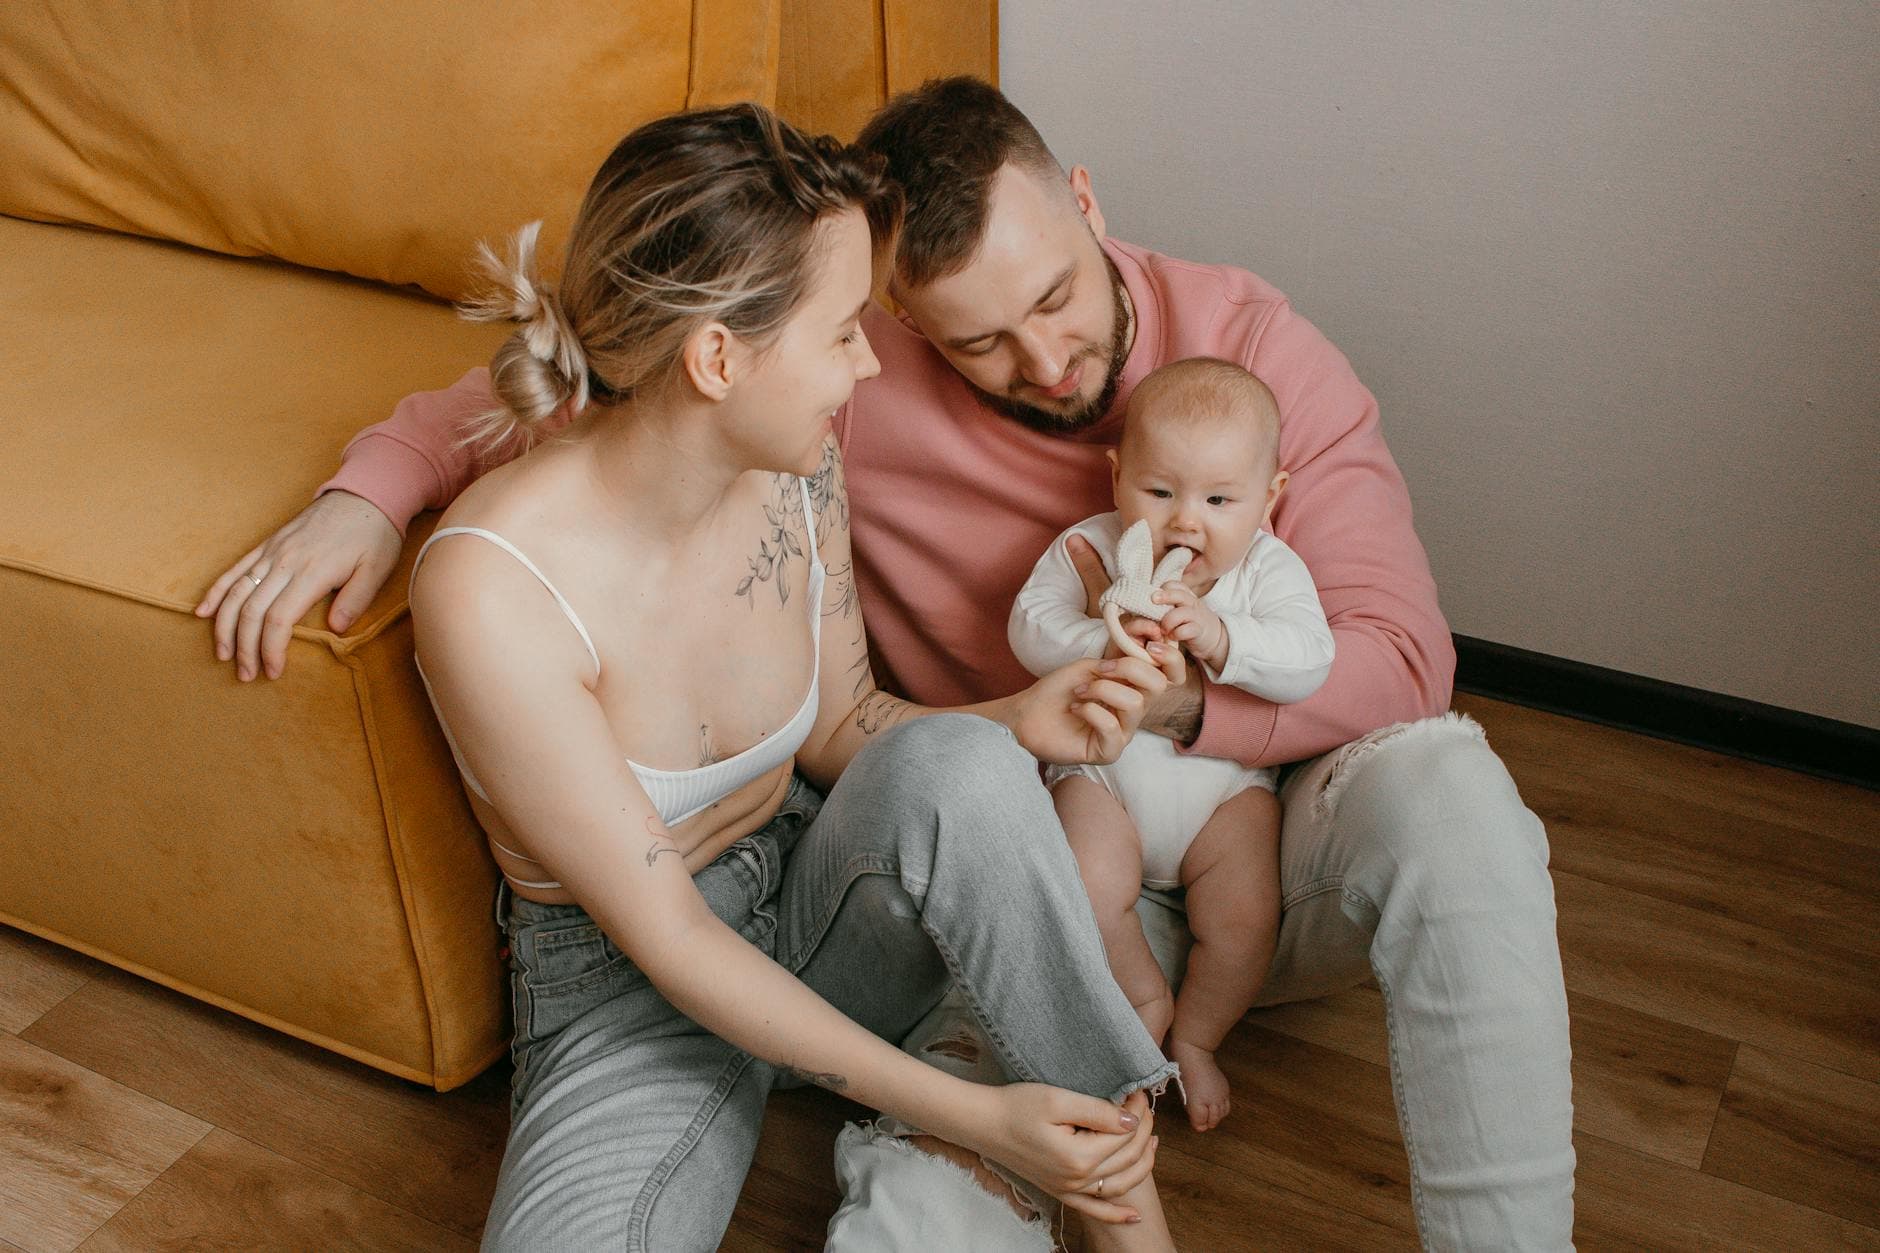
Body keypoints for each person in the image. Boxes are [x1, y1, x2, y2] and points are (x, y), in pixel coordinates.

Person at [202, 78, 1577, 1249]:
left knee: (1441, 789)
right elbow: (576, 376)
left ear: (1088, 205)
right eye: (972, 334)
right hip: (975, 885)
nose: (1044, 359)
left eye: (1057, 296)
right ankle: (1037, 1134)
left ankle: (1130, 1191)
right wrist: (372, 491)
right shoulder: (811, 404)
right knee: (925, 1122)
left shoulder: (1245, 351)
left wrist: (1152, 703)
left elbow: (1404, 657)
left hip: (1221, 852)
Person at [370, 102, 1186, 1251]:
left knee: (956, 753)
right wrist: (980, 1119)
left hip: (812, 894)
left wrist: (1019, 717)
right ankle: (970, 1081)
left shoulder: (792, 466)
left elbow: (851, 724)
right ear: (716, 357)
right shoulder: (491, 588)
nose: (866, 360)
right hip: (624, 985)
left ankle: (1126, 1214)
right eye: (844, 328)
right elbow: (673, 939)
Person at [1008, 357, 1334, 1134]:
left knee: (1248, 916)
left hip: (1224, 794)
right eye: (1160, 492)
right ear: (1118, 478)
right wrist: (1103, 632)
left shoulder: (1266, 570)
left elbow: (1310, 657)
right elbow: (1028, 626)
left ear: (1270, 498)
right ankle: (1142, 990)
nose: (1188, 522)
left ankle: (1196, 1034)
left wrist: (1223, 637)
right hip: (1106, 781)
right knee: (1080, 887)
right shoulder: (1090, 547)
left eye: (1221, 500)